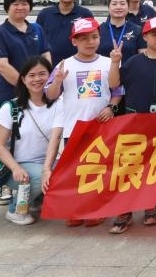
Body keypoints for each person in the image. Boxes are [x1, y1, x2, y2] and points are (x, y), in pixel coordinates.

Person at [106, 16, 156, 232]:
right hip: (135, 122)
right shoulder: (133, 62)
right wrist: (115, 62)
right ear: (145, 37)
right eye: (154, 34)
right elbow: (114, 83)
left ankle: (151, 206)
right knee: (130, 166)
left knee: (155, 166)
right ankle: (124, 210)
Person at [44, 16, 114, 228]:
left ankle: (95, 210)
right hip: (73, 127)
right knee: (75, 170)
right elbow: (50, 95)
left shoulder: (108, 63)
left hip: (100, 127)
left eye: (94, 37)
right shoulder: (64, 65)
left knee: (98, 169)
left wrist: (111, 107)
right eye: (83, 38)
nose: (90, 42)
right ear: (74, 41)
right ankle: (75, 209)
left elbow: (118, 90)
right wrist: (57, 81)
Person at [0, 56, 62, 226]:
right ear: (23, 80)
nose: (37, 79)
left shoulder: (58, 104)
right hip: (16, 167)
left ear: (50, 76)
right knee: (40, 176)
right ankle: (15, 209)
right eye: (31, 75)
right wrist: (15, 168)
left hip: (45, 162)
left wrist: (47, 168)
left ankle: (36, 197)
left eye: (42, 74)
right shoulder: (10, 107)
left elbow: (55, 138)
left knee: (67, 171)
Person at [0, 0, 50, 123]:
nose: (20, 7)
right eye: (15, 4)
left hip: (37, 93)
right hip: (9, 93)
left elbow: (46, 55)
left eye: (24, 4)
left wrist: (44, 81)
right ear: (7, 7)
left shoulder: (37, 29)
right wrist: (27, 87)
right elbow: (2, 66)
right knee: (5, 132)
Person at [36, 0, 94, 67]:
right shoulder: (44, 14)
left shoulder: (85, 14)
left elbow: (91, 39)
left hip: (79, 65)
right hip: (50, 65)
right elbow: (38, 41)